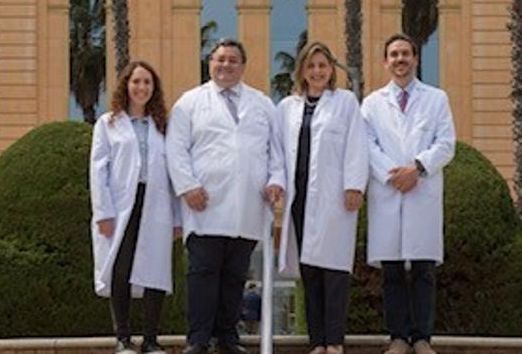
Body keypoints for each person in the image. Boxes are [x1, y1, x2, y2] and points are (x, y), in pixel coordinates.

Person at [167, 38, 286, 354]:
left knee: (235, 277)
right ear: (210, 64)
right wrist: (188, 186)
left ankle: (227, 338)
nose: (226, 65)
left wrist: (276, 181)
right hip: (205, 205)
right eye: (220, 60)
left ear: (243, 66)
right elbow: (175, 150)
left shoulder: (262, 104)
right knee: (203, 275)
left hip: (247, 205)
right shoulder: (189, 103)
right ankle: (198, 339)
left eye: (233, 60)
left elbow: (276, 152)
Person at [362, 34, 456, 354]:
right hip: (388, 191)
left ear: (416, 59)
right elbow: (367, 146)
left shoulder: (436, 98)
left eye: (405, 54)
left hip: (422, 189)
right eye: (394, 55)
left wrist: (417, 168)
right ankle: (398, 337)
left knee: (423, 270)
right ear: (385, 62)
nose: (400, 60)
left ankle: (422, 338)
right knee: (391, 272)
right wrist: (394, 175)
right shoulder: (372, 103)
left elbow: (445, 144)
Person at [277, 41, 368, 354]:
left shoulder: (345, 103)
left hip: (334, 197)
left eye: (322, 65)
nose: (317, 71)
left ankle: (334, 342)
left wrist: (355, 185)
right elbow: (277, 151)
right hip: (299, 198)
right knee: (309, 270)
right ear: (302, 70)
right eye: (311, 66)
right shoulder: (287, 107)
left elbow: (357, 145)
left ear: (331, 70)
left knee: (335, 270)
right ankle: (317, 342)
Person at [90, 61, 181, 354]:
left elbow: (175, 172)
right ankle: (123, 338)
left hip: (156, 205)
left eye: (147, 83)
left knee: (155, 269)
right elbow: (98, 170)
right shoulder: (109, 123)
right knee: (121, 267)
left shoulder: (163, 125)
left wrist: (178, 217)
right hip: (121, 205)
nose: (141, 88)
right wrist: (103, 212)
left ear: (154, 90)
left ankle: (151, 340)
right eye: (136, 82)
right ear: (126, 85)